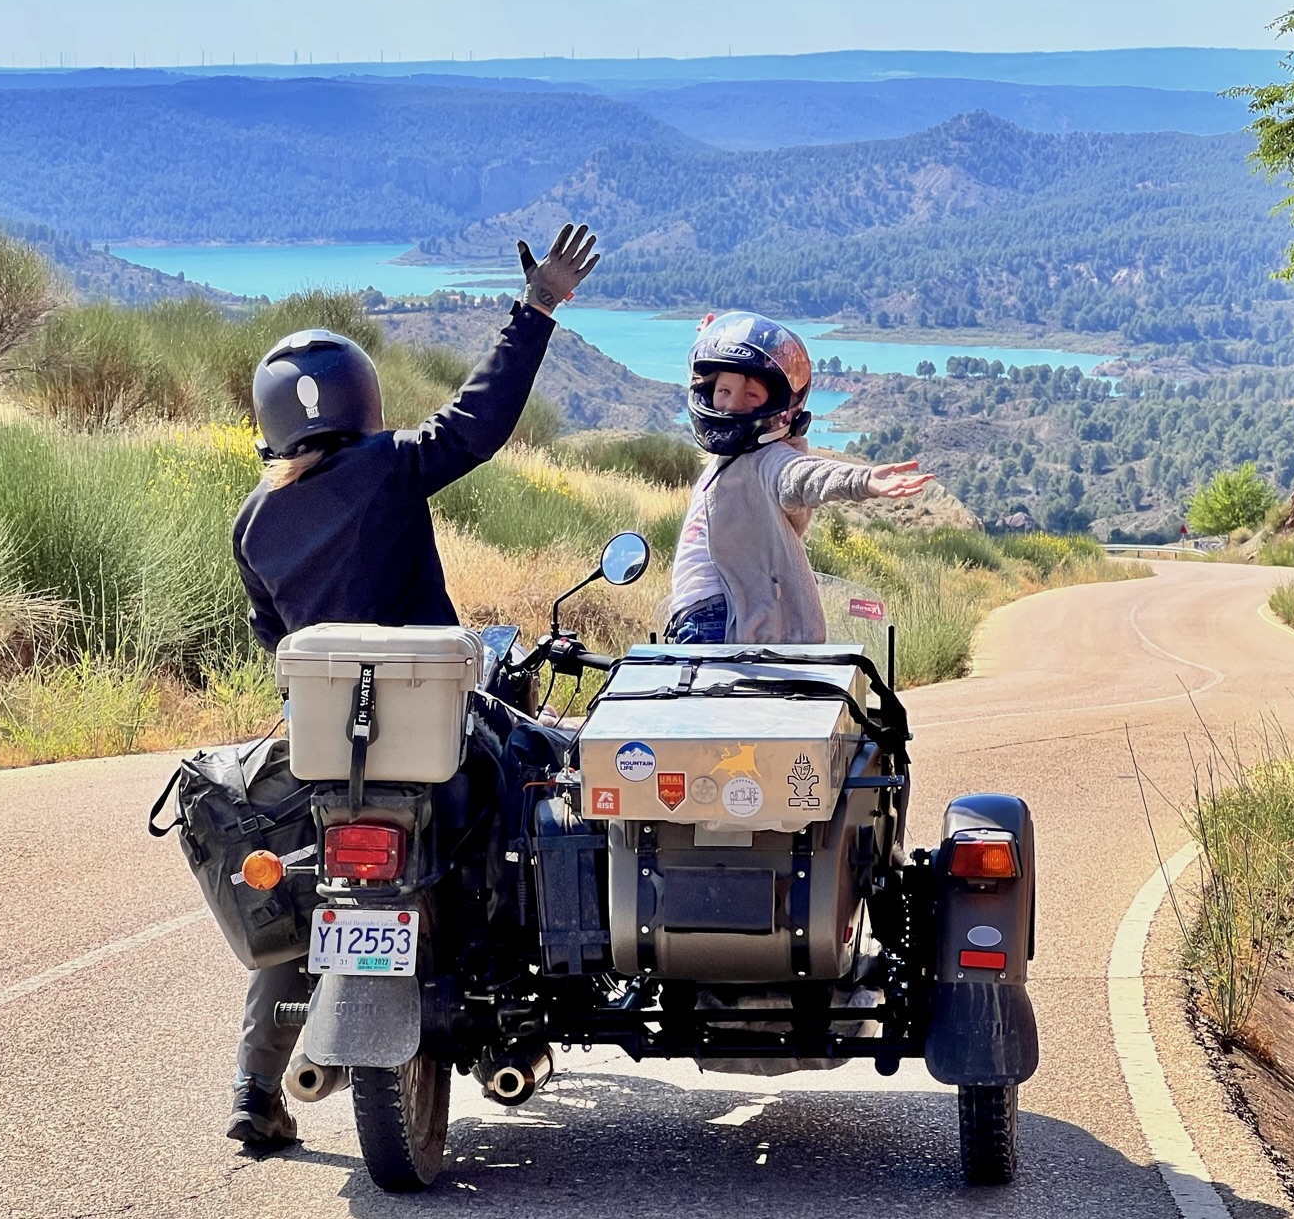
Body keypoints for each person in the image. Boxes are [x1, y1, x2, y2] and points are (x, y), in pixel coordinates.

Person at [223, 222, 599, 1150]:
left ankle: (252, 1090)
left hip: (322, 749)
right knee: (548, 786)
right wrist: (536, 308)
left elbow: (275, 643)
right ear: (362, 396)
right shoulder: (387, 470)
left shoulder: (252, 523)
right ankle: (548, 988)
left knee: (313, 893)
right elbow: (478, 421)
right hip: (430, 729)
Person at [665, 311, 932, 645]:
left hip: (719, 618)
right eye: (723, 391)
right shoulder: (731, 457)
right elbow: (706, 374)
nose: (732, 405)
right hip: (693, 616)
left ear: (776, 407)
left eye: (751, 396)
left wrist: (862, 481)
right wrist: (708, 338)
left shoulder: (767, 460)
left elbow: (805, 476)